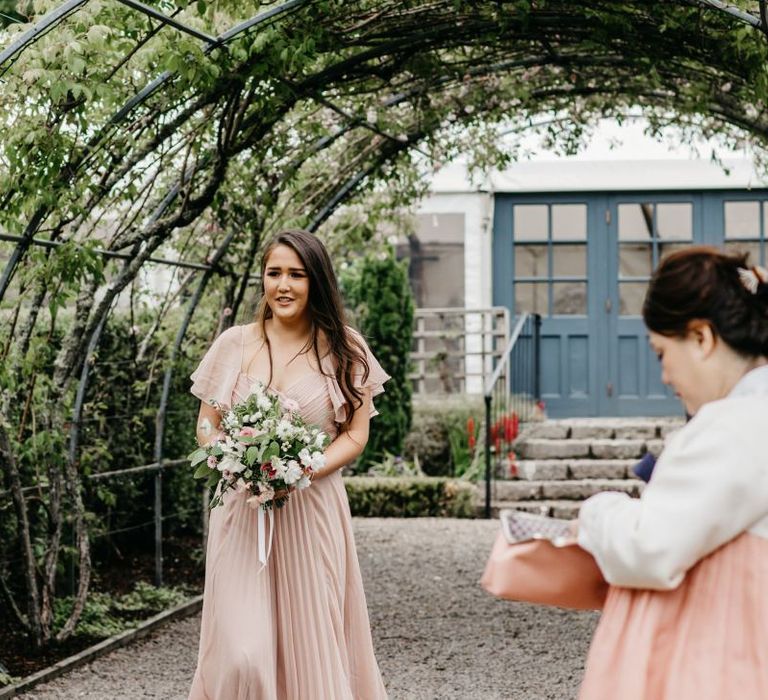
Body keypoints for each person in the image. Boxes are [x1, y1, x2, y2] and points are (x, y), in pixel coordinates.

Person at [187, 229, 389, 699]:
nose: (284, 284)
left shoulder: (345, 348)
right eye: (274, 272)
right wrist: (230, 458)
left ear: (315, 281)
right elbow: (206, 423)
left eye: (296, 274)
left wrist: (300, 470)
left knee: (310, 642)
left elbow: (355, 435)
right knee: (243, 655)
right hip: (241, 513)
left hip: (312, 512)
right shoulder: (234, 344)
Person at [576, 247, 768, 700]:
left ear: (702, 338)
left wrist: (598, 511)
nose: (663, 375)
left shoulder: (736, 426)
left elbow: (650, 547)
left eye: (662, 352)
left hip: (726, 657)